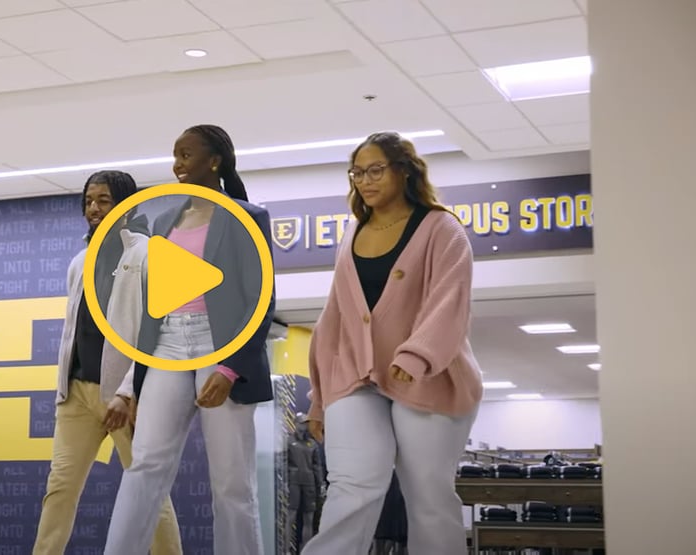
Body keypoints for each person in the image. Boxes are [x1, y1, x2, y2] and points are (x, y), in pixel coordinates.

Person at [302, 131, 484, 555]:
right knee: (351, 484)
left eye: (375, 170)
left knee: (428, 495)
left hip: (431, 378)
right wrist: (319, 397)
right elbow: (336, 319)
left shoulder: (441, 227)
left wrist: (417, 355)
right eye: (357, 173)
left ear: (404, 171)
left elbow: (449, 300)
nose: (365, 181)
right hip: (355, 376)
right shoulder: (353, 234)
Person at [104, 125, 276, 555]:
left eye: (186, 155)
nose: (177, 164)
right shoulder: (164, 219)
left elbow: (260, 299)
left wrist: (230, 366)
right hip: (166, 346)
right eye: (175, 155)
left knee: (232, 483)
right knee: (145, 465)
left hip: (220, 349)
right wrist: (132, 385)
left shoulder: (247, 217)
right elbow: (153, 308)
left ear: (214, 161)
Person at [33, 170, 182, 555]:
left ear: (126, 205)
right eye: (89, 201)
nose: (95, 209)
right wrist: (63, 389)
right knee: (59, 490)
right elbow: (73, 330)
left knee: (147, 490)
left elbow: (154, 331)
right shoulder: (80, 262)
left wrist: (129, 391)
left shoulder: (147, 254)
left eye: (104, 200)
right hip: (77, 395)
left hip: (125, 396)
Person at [287, 413, 325, 553]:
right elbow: (284, 462)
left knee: (308, 518)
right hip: (294, 483)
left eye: (306, 423)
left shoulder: (312, 444)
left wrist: (320, 484)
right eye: (302, 423)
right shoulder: (289, 442)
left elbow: (317, 466)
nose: (304, 426)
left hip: (309, 484)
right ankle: (285, 550)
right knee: (291, 517)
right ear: (295, 424)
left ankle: (306, 551)